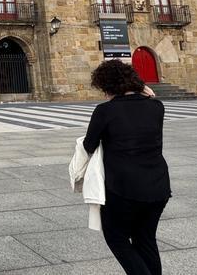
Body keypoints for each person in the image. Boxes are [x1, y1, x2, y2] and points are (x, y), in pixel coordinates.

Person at [84, 60, 171, 275]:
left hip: (123, 189)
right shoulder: (156, 107)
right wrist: (144, 91)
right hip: (158, 187)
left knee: (117, 238)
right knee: (146, 239)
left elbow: (89, 145)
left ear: (106, 85)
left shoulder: (105, 111)